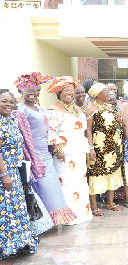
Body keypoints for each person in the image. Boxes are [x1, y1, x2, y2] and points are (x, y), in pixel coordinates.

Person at [15, 75, 77, 226]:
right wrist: (31, 156)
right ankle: (41, 223)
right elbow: (22, 135)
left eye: (35, 90)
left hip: (46, 154)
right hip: (33, 155)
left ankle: (53, 220)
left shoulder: (38, 107)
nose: (33, 93)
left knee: (53, 186)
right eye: (28, 90)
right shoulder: (21, 109)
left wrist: (54, 147)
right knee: (42, 188)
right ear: (20, 91)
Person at [47, 76, 93, 225]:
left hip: (79, 152)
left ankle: (82, 214)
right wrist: (57, 149)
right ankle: (69, 218)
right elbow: (51, 133)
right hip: (64, 154)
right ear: (58, 93)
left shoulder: (78, 108)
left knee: (80, 183)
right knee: (67, 184)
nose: (69, 93)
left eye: (71, 90)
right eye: (65, 91)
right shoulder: (54, 109)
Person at [0, 91, 39, 260]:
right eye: (4, 101)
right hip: (4, 174)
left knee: (16, 211)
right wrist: (5, 175)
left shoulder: (12, 120)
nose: (8, 104)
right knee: (6, 212)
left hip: (14, 173)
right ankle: (7, 246)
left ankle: (17, 243)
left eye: (11, 101)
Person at [86, 83, 125, 215]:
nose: (109, 93)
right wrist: (91, 148)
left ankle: (110, 202)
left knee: (112, 173)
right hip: (99, 148)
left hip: (113, 148)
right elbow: (89, 130)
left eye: (109, 91)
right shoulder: (91, 109)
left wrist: (119, 120)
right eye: (106, 91)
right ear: (98, 94)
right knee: (96, 174)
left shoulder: (110, 107)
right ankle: (94, 206)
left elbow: (118, 123)